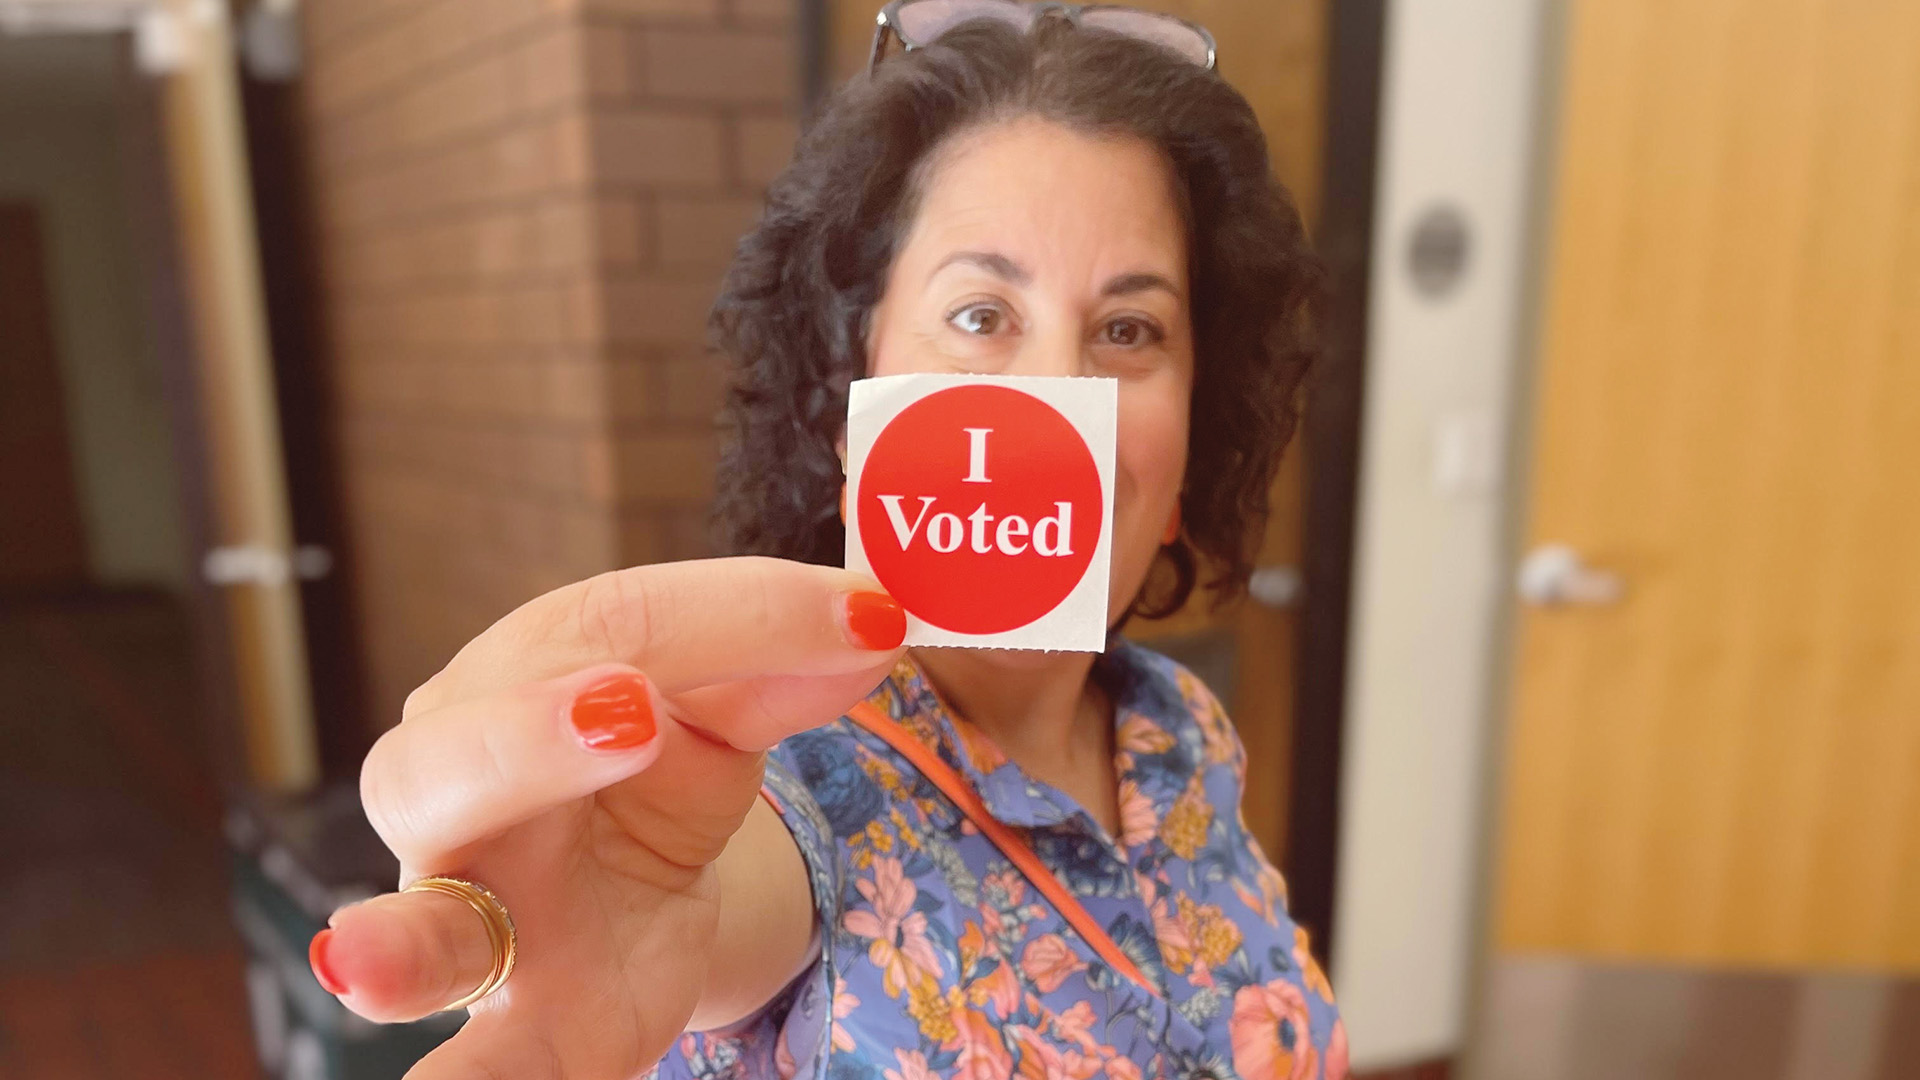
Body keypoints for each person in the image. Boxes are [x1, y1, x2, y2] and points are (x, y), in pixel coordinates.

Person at [307, 4, 1344, 1078]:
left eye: (1129, 329)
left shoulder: (1183, 731)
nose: (1051, 394)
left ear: (1187, 447)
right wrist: (616, 884)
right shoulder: (770, 775)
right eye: (981, 315)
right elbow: (718, 883)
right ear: (855, 405)